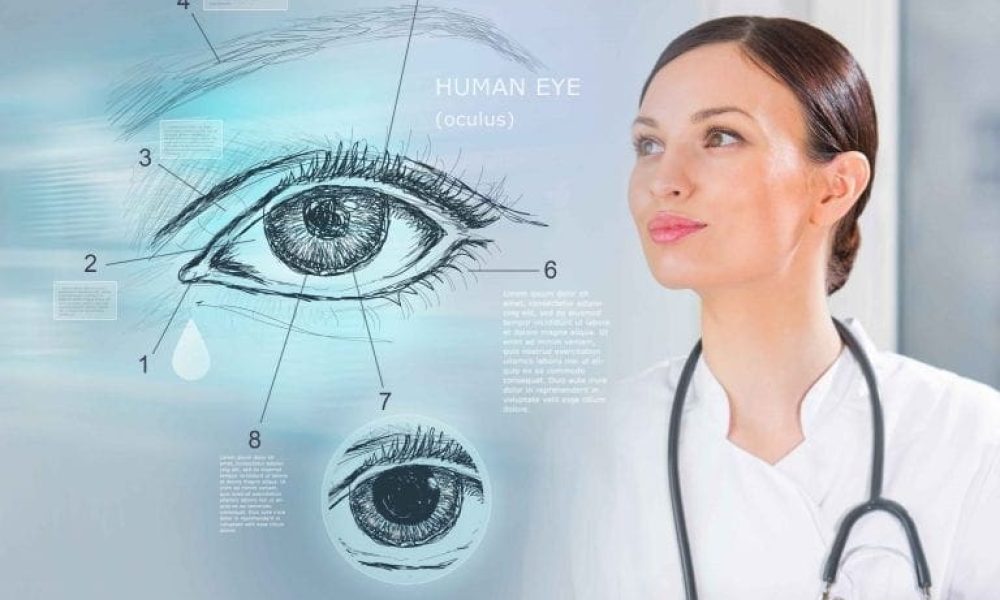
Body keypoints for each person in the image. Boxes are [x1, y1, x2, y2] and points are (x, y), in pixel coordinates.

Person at [521, 15, 1000, 600]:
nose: (663, 180)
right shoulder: (585, 449)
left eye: (720, 136)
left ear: (834, 188)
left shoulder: (969, 437)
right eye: (649, 144)